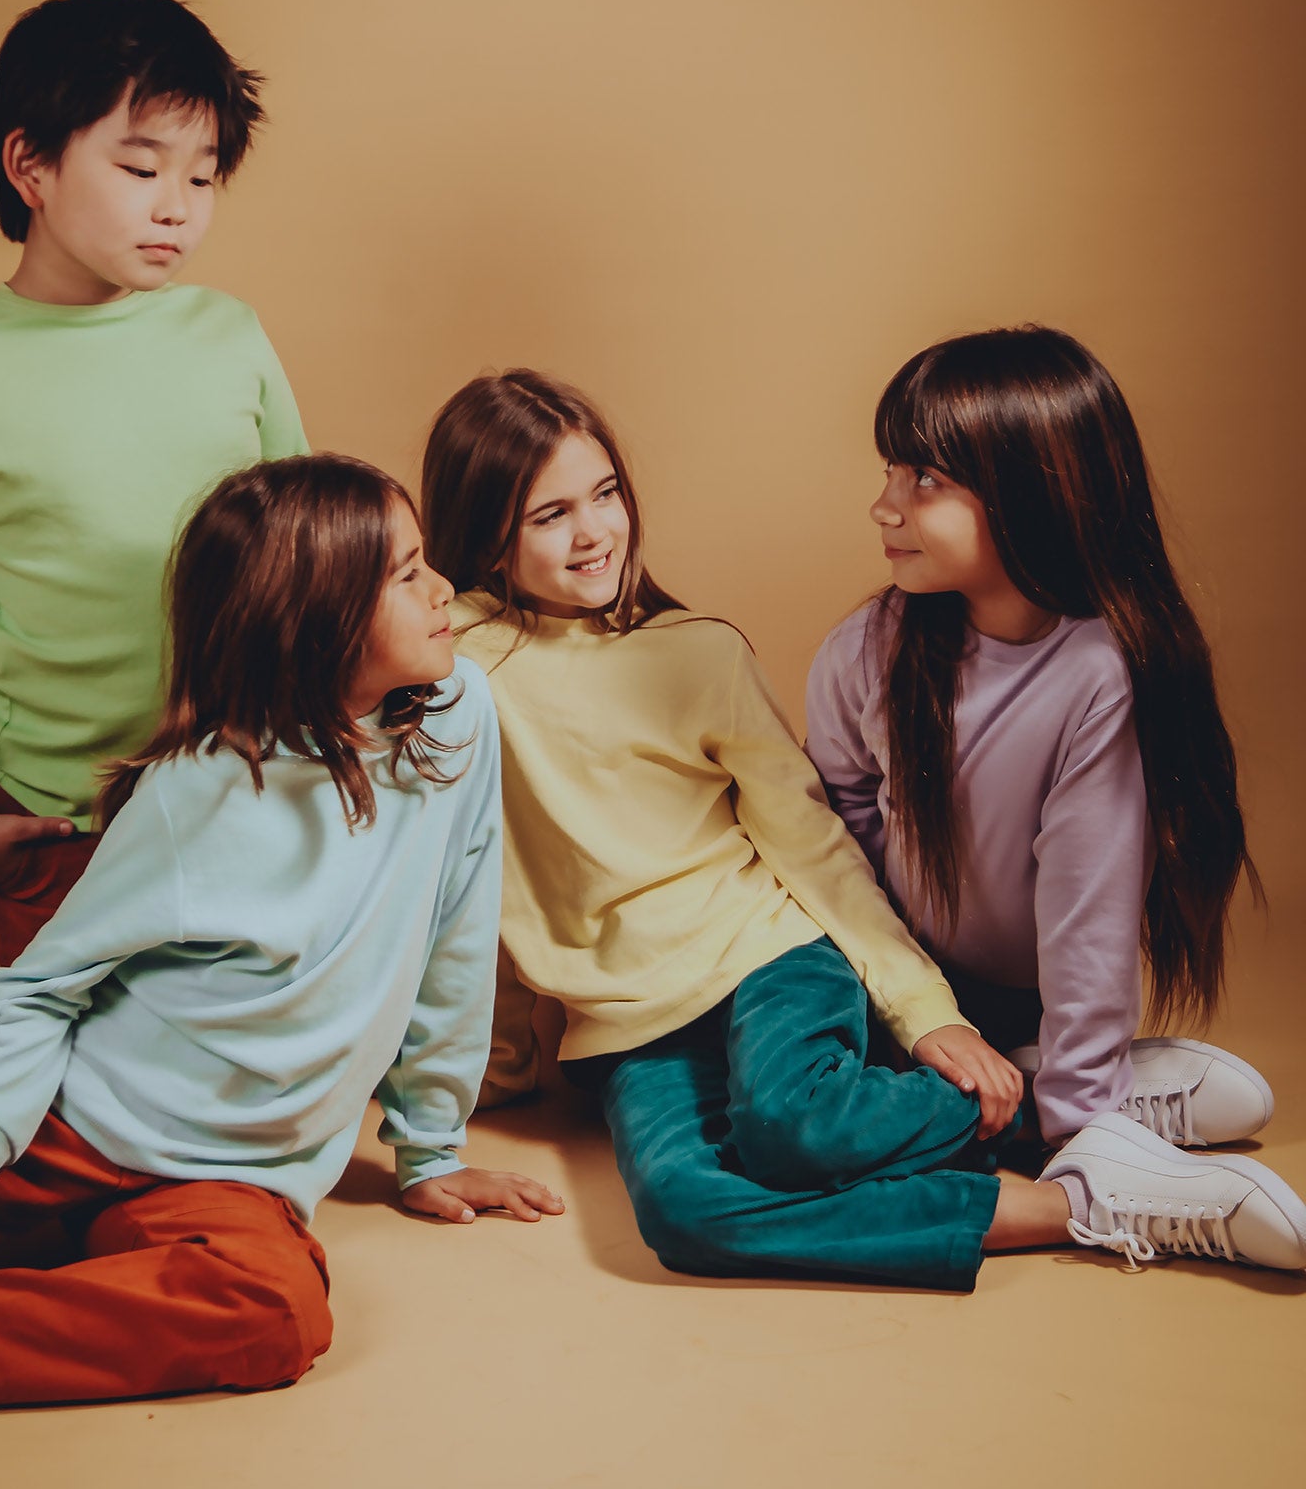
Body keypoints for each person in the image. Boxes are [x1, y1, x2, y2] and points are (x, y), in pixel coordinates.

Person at [0, 456, 561, 1437]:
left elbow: (457, 926)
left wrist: (430, 1147)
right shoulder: (204, 789)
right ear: (316, 619)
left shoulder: (457, 720)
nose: (443, 588)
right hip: (70, 1122)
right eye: (407, 573)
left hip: (233, 1177)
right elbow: (37, 989)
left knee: (273, 1312)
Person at [420, 368, 1306, 1286]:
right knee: (686, 1212)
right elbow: (475, 880)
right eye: (550, 514)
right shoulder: (457, 676)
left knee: (795, 1127)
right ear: (488, 534)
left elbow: (816, 844)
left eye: (605, 494)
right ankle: (1080, 1195)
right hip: (633, 1029)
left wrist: (919, 1011)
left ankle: (1074, 1100)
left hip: (773, 953)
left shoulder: (696, 652)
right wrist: (493, 1072)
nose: (596, 530)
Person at [0, 0, 307, 1051]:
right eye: (141, 169)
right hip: (61, 808)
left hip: (231, 781)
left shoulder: (228, 336)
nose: (177, 206)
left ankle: (20, 988)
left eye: (202, 176)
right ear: (32, 166)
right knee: (92, 1074)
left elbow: (303, 543)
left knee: (222, 1061)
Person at [804, 325, 1274, 1155]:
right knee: (804, 1106)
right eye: (890, 471)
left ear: (1032, 493)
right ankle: (1051, 1084)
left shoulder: (1099, 671)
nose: (885, 506)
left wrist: (1081, 1122)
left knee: (876, 1126)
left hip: (1028, 994)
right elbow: (840, 830)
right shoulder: (866, 647)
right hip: (902, 985)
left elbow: (1086, 909)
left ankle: (1078, 1089)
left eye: (926, 479)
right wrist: (906, 998)